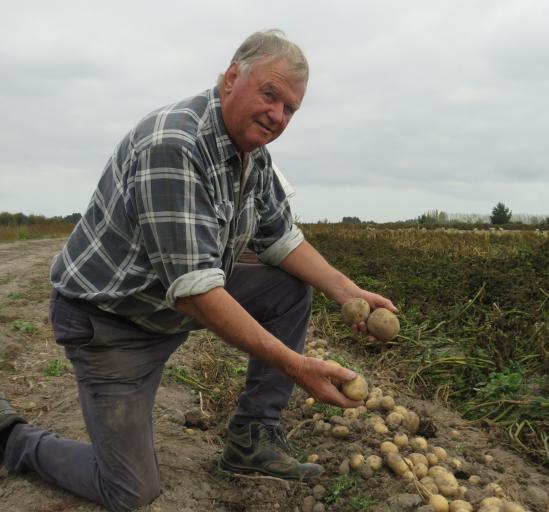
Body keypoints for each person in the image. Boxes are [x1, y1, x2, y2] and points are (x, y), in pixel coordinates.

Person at [0, 29, 396, 512]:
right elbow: (194, 291)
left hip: (166, 307)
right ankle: (12, 439)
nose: (277, 115)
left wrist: (349, 292)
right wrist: (296, 366)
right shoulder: (174, 144)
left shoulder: (252, 155)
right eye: (270, 95)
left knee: (288, 287)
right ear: (232, 78)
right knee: (128, 490)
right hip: (112, 325)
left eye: (290, 108)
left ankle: (252, 437)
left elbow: (280, 238)